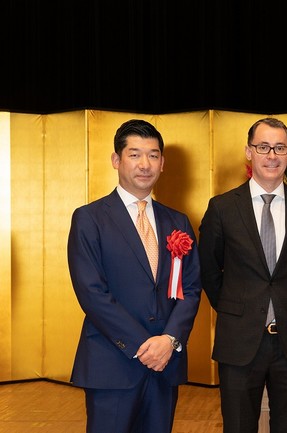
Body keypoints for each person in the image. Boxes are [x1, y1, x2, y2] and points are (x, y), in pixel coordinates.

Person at [67, 119, 202, 433]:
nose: (145, 164)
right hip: (113, 364)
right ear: (116, 160)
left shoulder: (178, 221)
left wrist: (169, 340)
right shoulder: (90, 218)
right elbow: (92, 293)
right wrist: (144, 346)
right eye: (135, 154)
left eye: (153, 155)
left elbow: (191, 287)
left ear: (163, 163)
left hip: (165, 364)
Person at [198, 117, 287, 433]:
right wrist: (239, 310)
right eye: (263, 147)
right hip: (240, 343)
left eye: (280, 148)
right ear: (248, 151)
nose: (272, 155)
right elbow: (209, 272)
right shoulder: (223, 207)